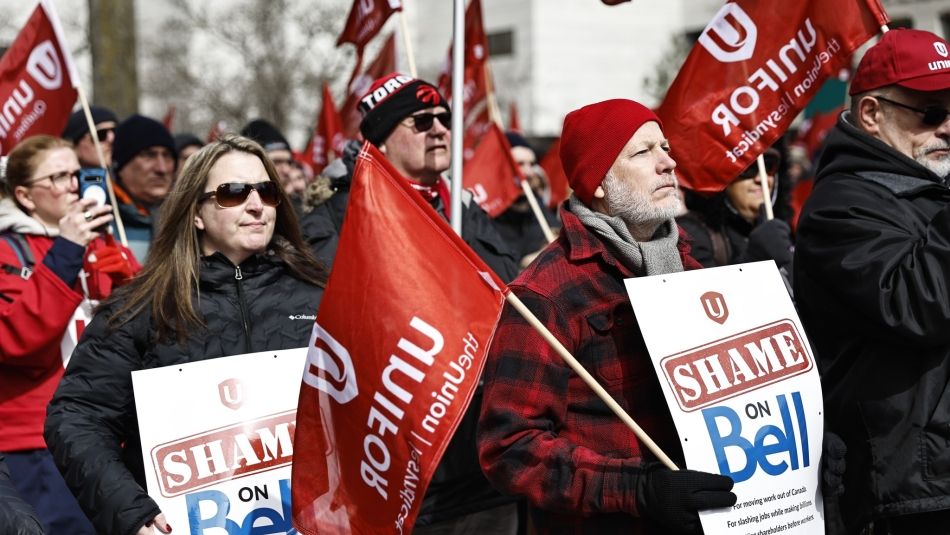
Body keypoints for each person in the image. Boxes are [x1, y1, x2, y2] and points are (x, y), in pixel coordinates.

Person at [44, 134, 328, 535]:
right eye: (233, 193)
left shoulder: (323, 297)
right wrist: (131, 513)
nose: (255, 205)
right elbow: (76, 418)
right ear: (196, 213)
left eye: (266, 192)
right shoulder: (142, 308)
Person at [478, 99, 737, 534]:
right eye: (643, 152)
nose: (668, 163)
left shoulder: (692, 271)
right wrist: (638, 490)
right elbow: (509, 448)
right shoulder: (546, 294)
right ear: (599, 182)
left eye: (665, 147)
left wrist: (806, 456)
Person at [794, 28, 950, 534]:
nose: (948, 128)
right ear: (872, 116)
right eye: (931, 114)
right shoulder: (841, 206)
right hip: (915, 488)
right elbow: (919, 305)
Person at [0, 135, 139, 535]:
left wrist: (131, 281)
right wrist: (65, 251)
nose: (75, 186)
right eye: (59, 177)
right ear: (26, 196)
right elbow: (16, 338)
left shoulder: (104, 243)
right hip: (34, 442)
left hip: (106, 434)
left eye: (78, 173)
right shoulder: (10, 250)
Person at [677, 147, 794, 274]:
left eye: (769, 166)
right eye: (748, 168)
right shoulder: (691, 233)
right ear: (721, 179)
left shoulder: (783, 228)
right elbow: (705, 292)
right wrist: (755, 259)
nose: (762, 178)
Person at [111, 114, 178, 262]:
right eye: (149, 155)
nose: (162, 168)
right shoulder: (99, 225)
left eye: (167, 156)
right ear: (121, 167)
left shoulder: (188, 220)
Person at [493, 131, 561, 267]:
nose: (529, 172)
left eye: (531, 164)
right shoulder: (485, 218)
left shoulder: (544, 216)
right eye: (519, 164)